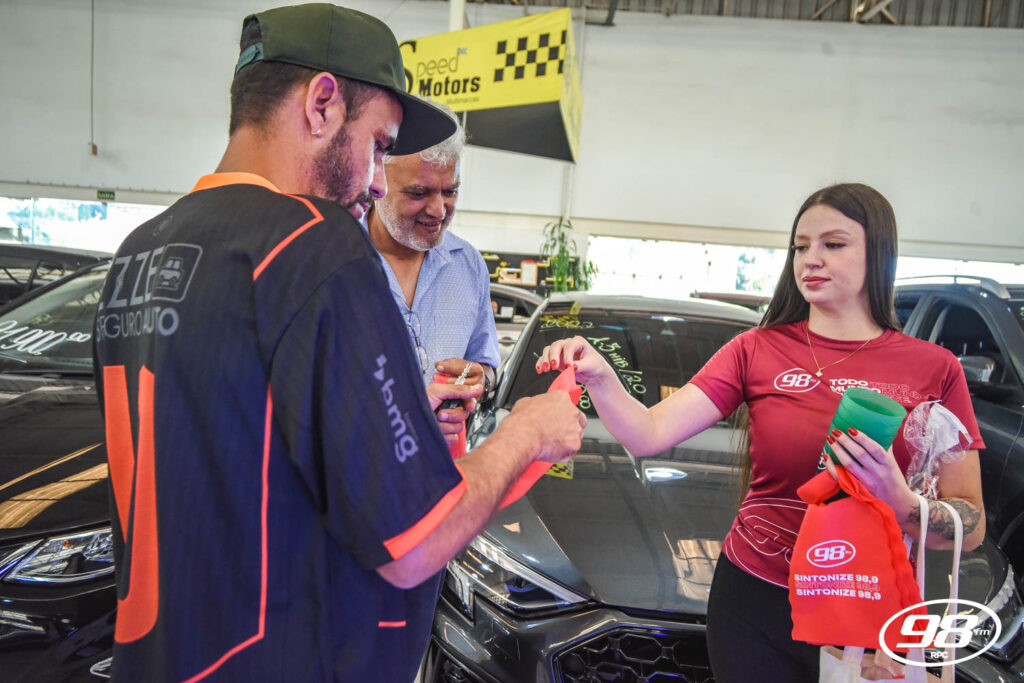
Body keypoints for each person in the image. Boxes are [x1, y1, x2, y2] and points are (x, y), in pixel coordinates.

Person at [92, 5, 585, 682]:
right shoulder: (313, 244)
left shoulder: (139, 251)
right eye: (379, 145)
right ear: (321, 104)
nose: (379, 180)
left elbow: (241, 446)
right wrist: (528, 433)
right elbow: (415, 538)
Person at [536, 183, 985, 682]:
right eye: (800, 246)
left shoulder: (934, 369)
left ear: (878, 254)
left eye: (833, 244)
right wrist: (602, 376)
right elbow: (648, 432)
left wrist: (900, 502)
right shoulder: (756, 349)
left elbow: (972, 526)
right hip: (757, 597)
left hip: (863, 603)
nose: (811, 259)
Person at [366, 108, 499, 446]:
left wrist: (477, 379)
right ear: (377, 180)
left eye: (450, 191)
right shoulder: (333, 258)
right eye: (418, 193)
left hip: (444, 467)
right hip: (356, 469)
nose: (439, 211)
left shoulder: (468, 266)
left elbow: (486, 368)